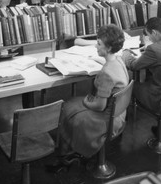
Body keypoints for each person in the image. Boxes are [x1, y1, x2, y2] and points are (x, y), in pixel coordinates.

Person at [47, 25, 129, 171]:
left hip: (107, 119)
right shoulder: (119, 61)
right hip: (120, 113)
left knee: (67, 108)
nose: (95, 47)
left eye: (99, 44)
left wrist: (86, 102)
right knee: (71, 105)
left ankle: (66, 154)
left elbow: (99, 106)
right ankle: (68, 151)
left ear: (109, 48)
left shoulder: (107, 73)